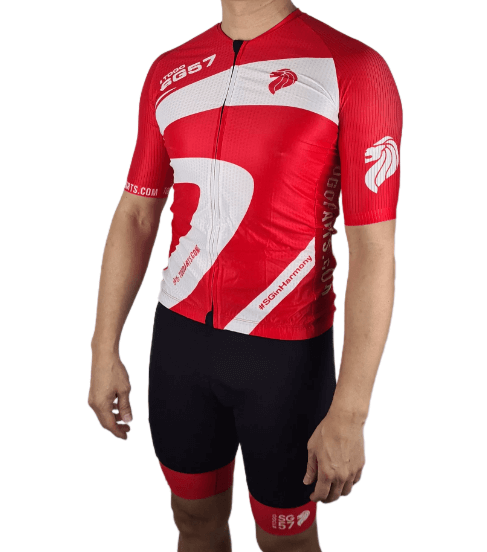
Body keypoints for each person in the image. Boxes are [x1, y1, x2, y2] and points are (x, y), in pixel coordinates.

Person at [88, 0, 402, 550]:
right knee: (194, 521)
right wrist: (102, 347)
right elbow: (137, 213)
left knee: (286, 542)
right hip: (180, 346)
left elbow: (374, 251)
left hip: (286, 360)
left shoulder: (353, 69)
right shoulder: (169, 70)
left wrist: (351, 412)